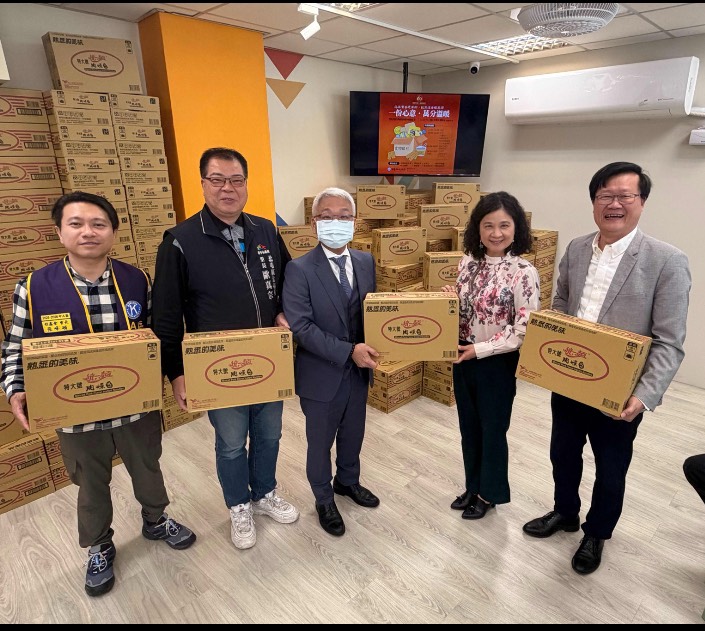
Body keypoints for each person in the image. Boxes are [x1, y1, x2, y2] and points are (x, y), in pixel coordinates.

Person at [0, 191, 196, 597]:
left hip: (135, 407)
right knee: (90, 481)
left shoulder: (136, 280)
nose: (88, 231)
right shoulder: (34, 287)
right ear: (59, 232)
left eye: (98, 224)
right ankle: (99, 545)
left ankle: (156, 519)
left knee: (148, 467)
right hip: (74, 412)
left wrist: (176, 374)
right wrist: (15, 388)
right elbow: (16, 347)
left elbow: (159, 336)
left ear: (113, 232)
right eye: (76, 224)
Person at [523, 161, 691, 575]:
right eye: (605, 196)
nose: (614, 204)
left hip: (619, 392)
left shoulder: (667, 260)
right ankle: (565, 512)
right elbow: (562, 304)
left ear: (642, 202)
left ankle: (597, 532)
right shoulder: (578, 248)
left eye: (624, 196)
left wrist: (644, 396)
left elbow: (669, 341)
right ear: (594, 202)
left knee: (611, 467)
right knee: (563, 453)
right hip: (569, 378)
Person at [152, 147, 299, 551]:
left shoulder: (266, 230)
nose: (227, 188)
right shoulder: (180, 241)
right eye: (217, 180)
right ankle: (239, 504)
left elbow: (289, 283)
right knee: (232, 442)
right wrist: (176, 372)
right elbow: (166, 315)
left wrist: (284, 311)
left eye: (236, 180)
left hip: (268, 360)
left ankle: (263, 493)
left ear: (246, 184)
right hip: (218, 367)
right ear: (203, 185)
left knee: (270, 434)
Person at [282, 187, 380, 537]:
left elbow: (375, 311)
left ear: (354, 222)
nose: (335, 222)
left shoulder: (365, 261)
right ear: (314, 223)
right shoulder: (299, 269)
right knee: (320, 442)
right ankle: (324, 498)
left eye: (343, 216)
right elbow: (301, 327)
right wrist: (348, 351)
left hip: (358, 373)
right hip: (321, 374)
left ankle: (347, 482)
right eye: (327, 216)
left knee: (353, 433)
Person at [441, 191, 539, 521]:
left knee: (493, 430)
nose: (496, 233)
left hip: (496, 362)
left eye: (504, 225)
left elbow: (524, 329)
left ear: (516, 228)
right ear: (477, 228)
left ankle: (488, 493)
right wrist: (448, 301)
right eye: (488, 225)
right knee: (469, 427)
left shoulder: (523, 271)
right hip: (462, 355)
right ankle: (472, 485)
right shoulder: (467, 262)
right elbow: (464, 310)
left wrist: (480, 350)